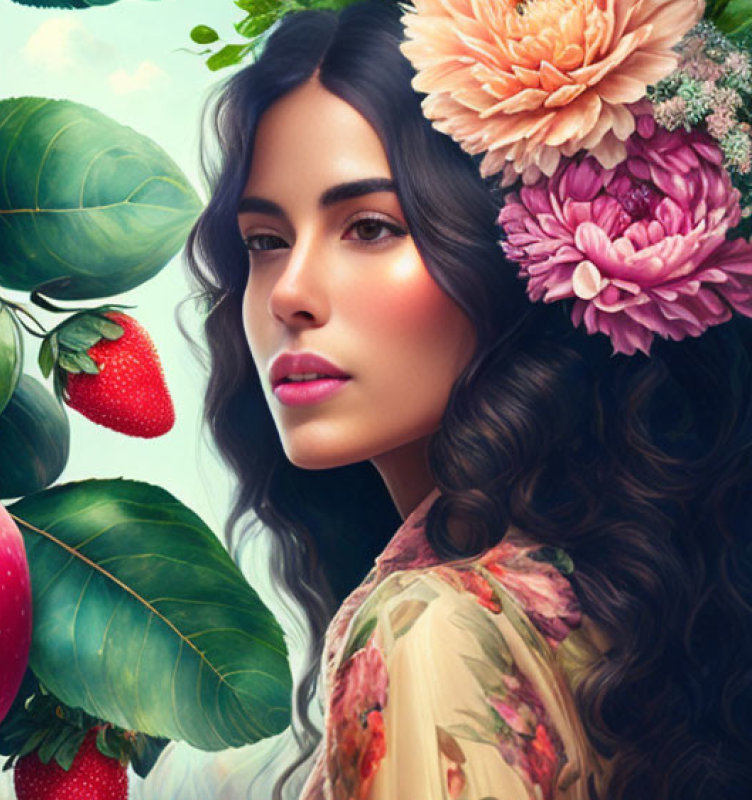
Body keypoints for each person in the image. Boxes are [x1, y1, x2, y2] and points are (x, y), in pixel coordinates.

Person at [182, 1, 752, 798]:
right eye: (265, 242)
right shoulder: (621, 609)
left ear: (518, 259)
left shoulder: (428, 628)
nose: (290, 294)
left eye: (371, 227)